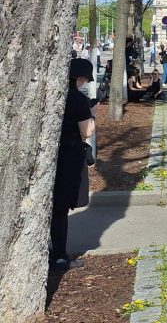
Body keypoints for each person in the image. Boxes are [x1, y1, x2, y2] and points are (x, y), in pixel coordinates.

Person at [52, 58, 96, 271]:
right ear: (79, 78)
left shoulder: (52, 93)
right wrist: (91, 115)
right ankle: (60, 257)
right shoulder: (78, 99)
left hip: (52, 155)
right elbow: (86, 131)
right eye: (86, 79)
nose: (85, 83)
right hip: (68, 157)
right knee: (60, 209)